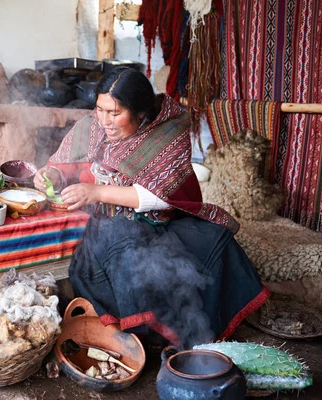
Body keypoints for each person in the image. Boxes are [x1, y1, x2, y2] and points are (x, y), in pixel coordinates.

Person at [34, 67, 269, 347]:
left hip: (158, 219)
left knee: (215, 242)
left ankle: (176, 332)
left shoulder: (168, 132)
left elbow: (160, 195)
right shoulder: (91, 127)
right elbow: (66, 166)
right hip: (110, 224)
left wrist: (96, 191)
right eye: (100, 109)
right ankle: (141, 330)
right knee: (124, 247)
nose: (104, 121)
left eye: (115, 113)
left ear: (141, 113)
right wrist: (52, 175)